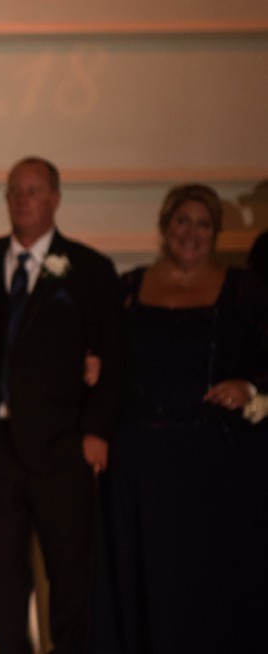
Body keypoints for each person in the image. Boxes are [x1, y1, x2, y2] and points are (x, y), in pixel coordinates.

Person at [0, 157, 122, 654]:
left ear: (54, 198)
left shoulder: (89, 269)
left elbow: (114, 357)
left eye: (32, 191)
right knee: (2, 577)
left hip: (64, 446)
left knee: (69, 572)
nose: (21, 200)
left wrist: (97, 431)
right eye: (14, 192)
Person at [106, 183, 268, 652]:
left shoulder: (246, 290)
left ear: (216, 233)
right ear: (164, 226)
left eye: (203, 224)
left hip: (215, 461)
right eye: (182, 221)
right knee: (151, 575)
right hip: (141, 462)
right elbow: (110, 359)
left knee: (208, 578)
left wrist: (249, 388)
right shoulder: (129, 288)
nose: (190, 233)